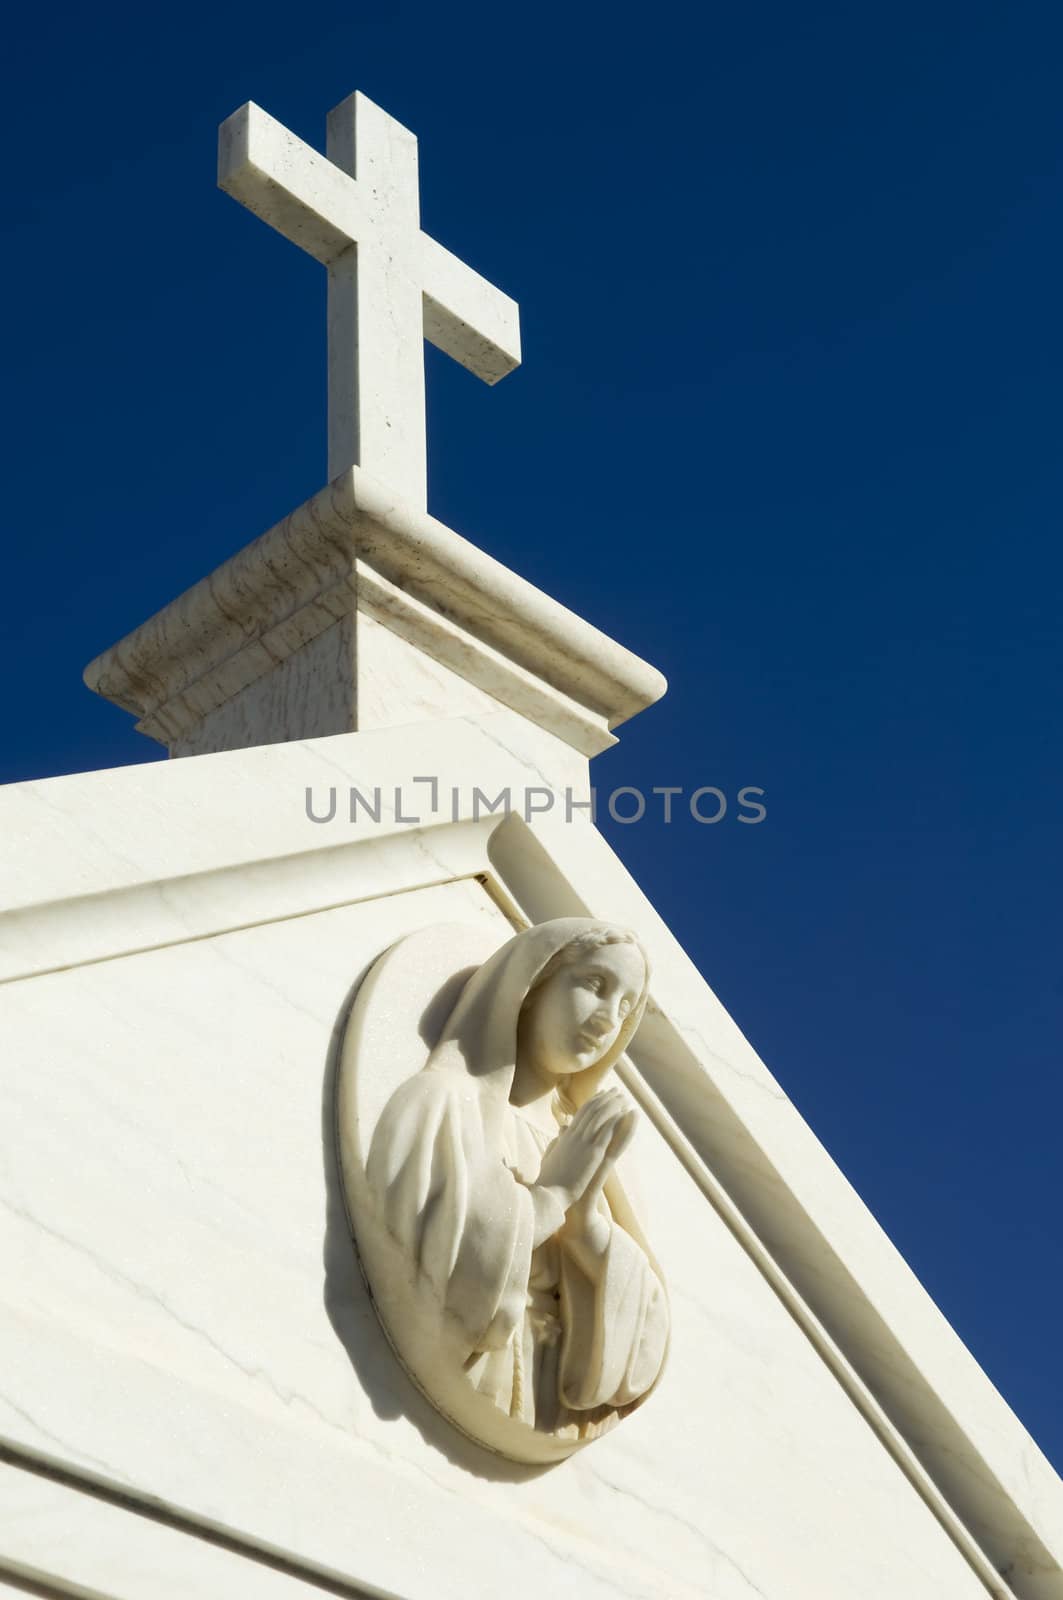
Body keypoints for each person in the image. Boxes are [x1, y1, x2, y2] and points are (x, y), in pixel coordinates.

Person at [366, 918, 670, 1438]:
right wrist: (551, 1196)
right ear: (530, 989)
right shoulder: (443, 1103)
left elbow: (645, 1333)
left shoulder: (575, 1143)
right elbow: (435, 1256)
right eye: (595, 986)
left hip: (536, 1391)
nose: (606, 1021)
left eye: (624, 1009)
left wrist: (585, 1228)